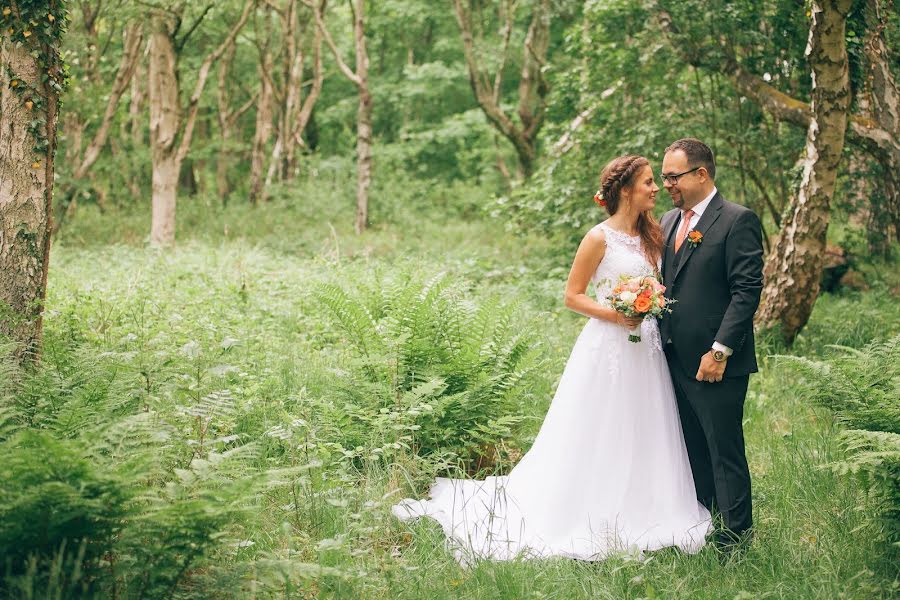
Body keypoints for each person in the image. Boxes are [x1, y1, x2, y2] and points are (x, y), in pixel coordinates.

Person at [392, 155, 711, 565]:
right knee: (601, 426)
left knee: (648, 422)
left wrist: (652, 303)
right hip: (609, 345)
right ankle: (591, 508)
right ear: (626, 190)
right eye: (649, 182)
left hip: (647, 345)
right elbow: (572, 296)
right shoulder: (599, 237)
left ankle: (648, 504)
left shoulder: (654, 232)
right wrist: (619, 313)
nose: (656, 188)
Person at [658, 138, 764, 553]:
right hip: (672, 357)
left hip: (715, 361)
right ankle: (705, 527)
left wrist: (720, 350)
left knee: (724, 450)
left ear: (701, 174)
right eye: (664, 176)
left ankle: (736, 540)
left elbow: (746, 291)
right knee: (691, 449)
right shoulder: (668, 222)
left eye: (673, 176)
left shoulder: (737, 220)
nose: (667, 184)